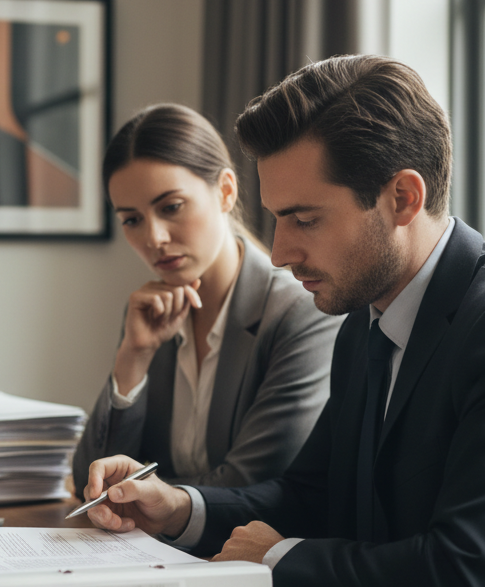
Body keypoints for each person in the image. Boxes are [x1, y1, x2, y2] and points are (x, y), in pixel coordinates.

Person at [81, 56, 485, 587]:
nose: (278, 253)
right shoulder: (366, 316)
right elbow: (311, 494)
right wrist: (177, 509)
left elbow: (471, 583)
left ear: (403, 198)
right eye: (276, 219)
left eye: (305, 219)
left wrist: (277, 558)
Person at [72, 104, 341, 495]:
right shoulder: (151, 317)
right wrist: (133, 357)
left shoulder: (299, 312)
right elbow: (90, 483)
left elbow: (250, 483)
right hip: (152, 552)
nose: (154, 238)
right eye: (132, 219)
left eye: (171, 207)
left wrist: (138, 494)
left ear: (226, 192)